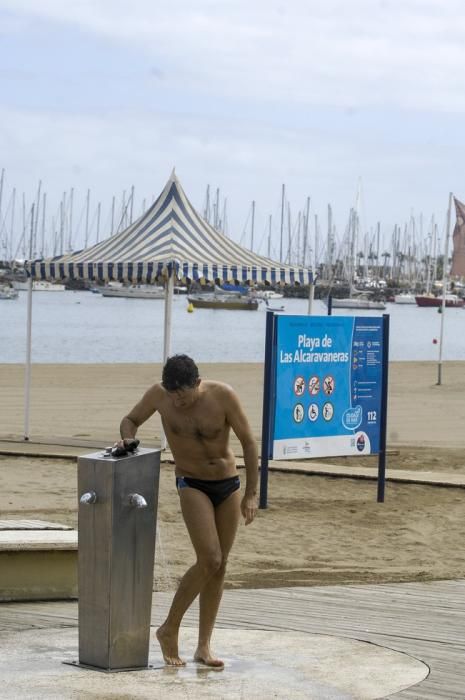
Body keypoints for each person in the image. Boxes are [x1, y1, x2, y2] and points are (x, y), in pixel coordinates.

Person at [117, 354, 259, 669]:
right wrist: (129, 440)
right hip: (191, 481)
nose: (177, 402)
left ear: (197, 383)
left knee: (220, 566)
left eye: (182, 395)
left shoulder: (223, 395)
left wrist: (251, 494)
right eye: (172, 395)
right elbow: (131, 420)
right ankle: (169, 628)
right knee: (209, 558)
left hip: (228, 484)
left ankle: (204, 646)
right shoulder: (159, 394)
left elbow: (249, 443)